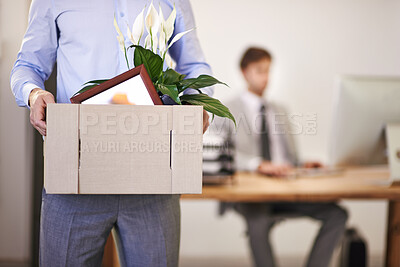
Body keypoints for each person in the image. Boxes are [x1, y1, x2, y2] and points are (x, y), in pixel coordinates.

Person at [10, 0, 211, 266]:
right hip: (74, 174)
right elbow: (27, 65)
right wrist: (33, 94)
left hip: (153, 176)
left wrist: (196, 104)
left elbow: (194, 66)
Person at [215, 47, 348, 267]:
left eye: (268, 71)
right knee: (258, 222)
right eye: (259, 70)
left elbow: (289, 158)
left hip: (286, 187)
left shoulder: (280, 110)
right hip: (251, 193)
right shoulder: (226, 109)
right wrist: (258, 165)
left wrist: (303, 164)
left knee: (337, 215)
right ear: (244, 71)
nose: (265, 77)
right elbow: (222, 155)